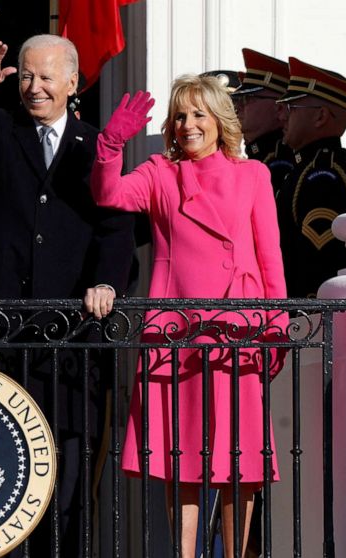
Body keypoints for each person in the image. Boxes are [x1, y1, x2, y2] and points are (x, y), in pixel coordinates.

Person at [0, 35, 137, 553]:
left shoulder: (97, 148)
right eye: (26, 75)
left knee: (69, 469)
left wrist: (107, 283)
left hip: (70, 340)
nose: (34, 87)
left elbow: (115, 230)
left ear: (73, 83)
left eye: (47, 77)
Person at [90, 76, 287, 557]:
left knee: (240, 460)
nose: (188, 124)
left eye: (199, 114)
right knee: (183, 456)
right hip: (177, 330)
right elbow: (108, 193)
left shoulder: (253, 176)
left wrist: (277, 324)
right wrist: (111, 142)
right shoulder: (160, 173)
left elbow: (269, 256)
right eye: (180, 116)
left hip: (238, 330)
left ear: (220, 121)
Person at [276, 57, 346, 298]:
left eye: (291, 108)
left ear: (320, 116)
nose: (282, 117)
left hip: (312, 320)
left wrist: (305, 316)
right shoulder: (307, 168)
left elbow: (319, 262)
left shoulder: (322, 176)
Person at [231, 49, 294, 199]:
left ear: (278, 107)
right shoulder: (261, 157)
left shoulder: (280, 164)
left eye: (248, 98)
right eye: (238, 99)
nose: (238, 106)